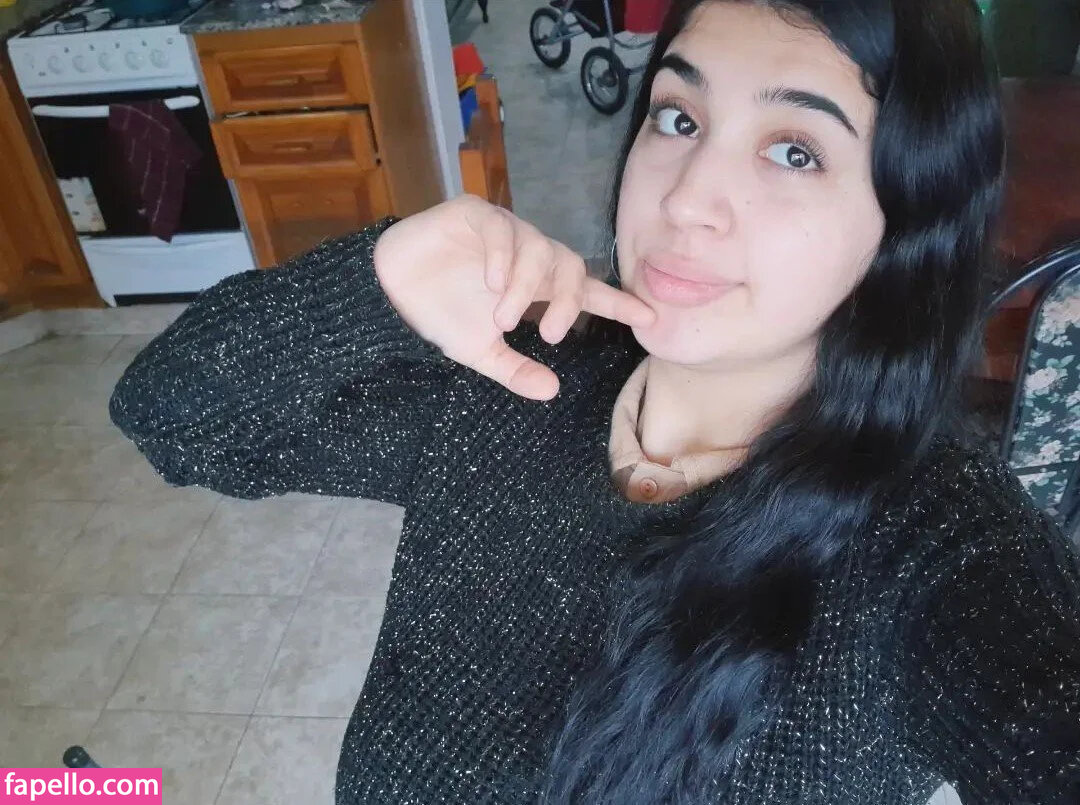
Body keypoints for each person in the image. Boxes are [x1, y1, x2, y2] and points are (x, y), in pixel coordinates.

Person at [109, 0, 1080, 802]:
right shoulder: (519, 371)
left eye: (794, 151)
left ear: (906, 221)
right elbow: (174, 421)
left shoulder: (937, 543)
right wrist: (374, 284)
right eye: (679, 117)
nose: (686, 199)